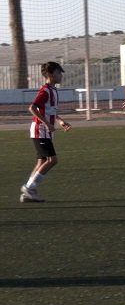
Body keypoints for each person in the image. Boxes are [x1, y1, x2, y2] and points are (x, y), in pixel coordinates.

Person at [20, 61, 72, 203]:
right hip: (40, 130)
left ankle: (28, 193)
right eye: (58, 72)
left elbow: (50, 110)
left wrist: (60, 121)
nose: (60, 75)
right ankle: (29, 188)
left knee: (42, 161)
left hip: (45, 130)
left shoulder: (53, 90)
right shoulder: (45, 91)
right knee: (52, 160)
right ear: (49, 74)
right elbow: (32, 108)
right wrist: (47, 123)